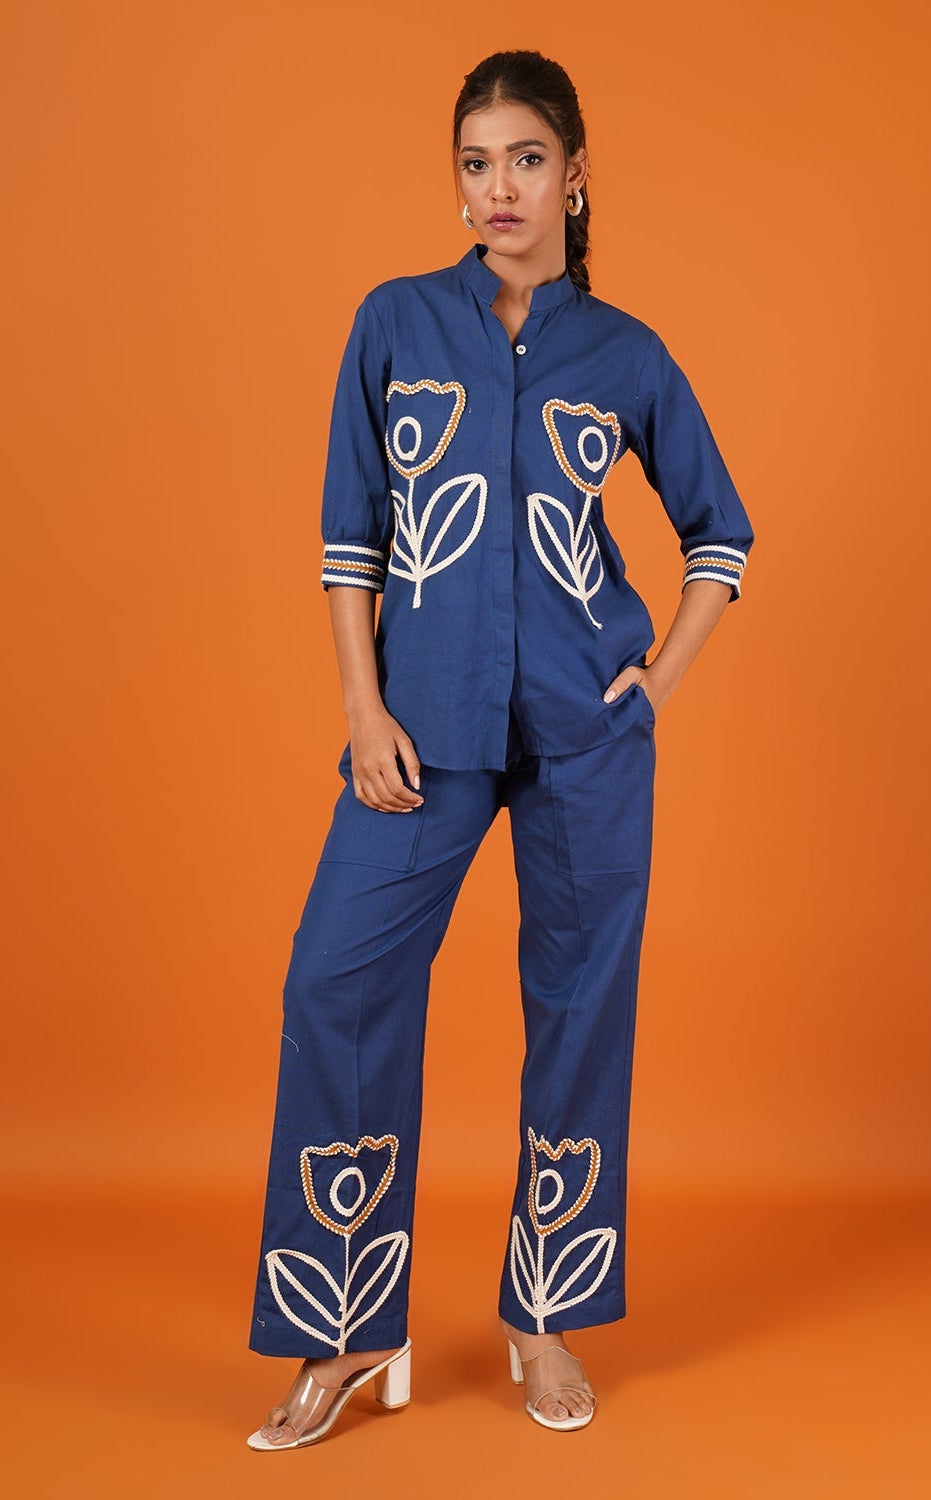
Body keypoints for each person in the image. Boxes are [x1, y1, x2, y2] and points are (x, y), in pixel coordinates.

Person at [246, 48, 755, 1448]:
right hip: (423, 725)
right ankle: (348, 1333)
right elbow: (351, 538)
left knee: (580, 1009)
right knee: (337, 982)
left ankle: (544, 1317)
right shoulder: (396, 323)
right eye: (476, 164)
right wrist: (363, 710)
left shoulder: (626, 353)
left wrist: (653, 685)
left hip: (587, 731)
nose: (500, 189)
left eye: (526, 160)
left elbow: (720, 536)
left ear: (575, 176)